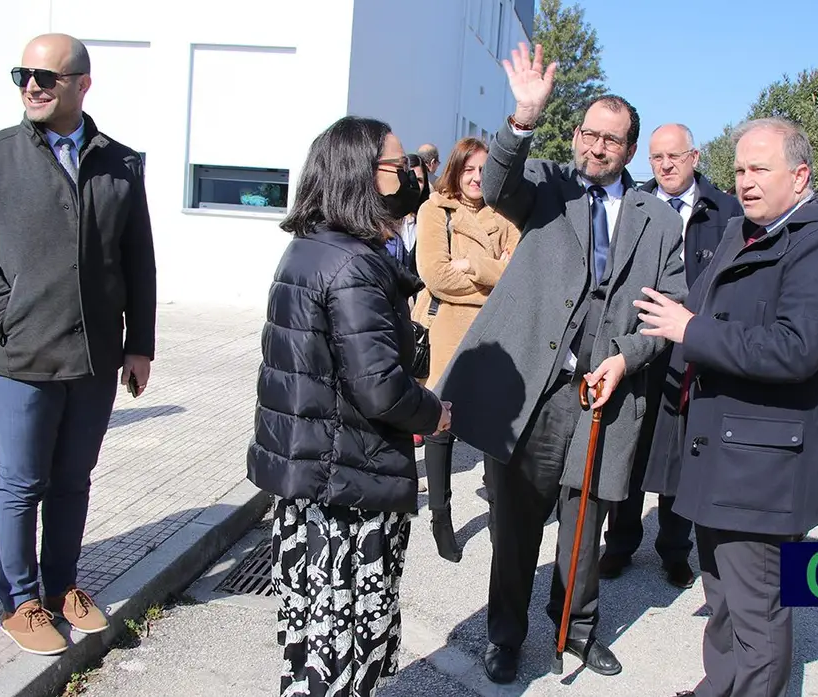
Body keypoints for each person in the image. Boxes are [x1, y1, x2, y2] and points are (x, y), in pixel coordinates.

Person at [435, 42, 686, 683]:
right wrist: (522, 119)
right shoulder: (546, 185)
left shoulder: (658, 220)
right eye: (588, 134)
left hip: (608, 395)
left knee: (587, 523)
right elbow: (495, 184)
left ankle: (576, 631)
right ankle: (505, 636)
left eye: (612, 140)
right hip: (541, 394)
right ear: (575, 135)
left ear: (630, 151)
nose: (596, 148)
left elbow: (671, 309)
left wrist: (628, 360)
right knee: (516, 524)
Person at [636, 117, 818, 697]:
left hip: (763, 469)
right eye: (739, 168)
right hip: (723, 456)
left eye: (760, 169)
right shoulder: (746, 231)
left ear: (800, 175)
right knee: (722, 600)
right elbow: (704, 309)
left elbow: (797, 350)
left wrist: (690, 330)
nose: (744, 181)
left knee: (757, 615)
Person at [0, 33, 155, 656]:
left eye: (46, 76)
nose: (31, 85)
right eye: (22, 74)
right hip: (20, 356)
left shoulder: (120, 161)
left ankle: (62, 586)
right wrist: (3, 312)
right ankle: (20, 599)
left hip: (93, 357)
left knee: (74, 479)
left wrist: (138, 343)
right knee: (22, 481)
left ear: (82, 84)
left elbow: (137, 259)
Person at [246, 116, 452, 697]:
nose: (409, 175)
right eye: (396, 165)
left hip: (314, 474)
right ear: (360, 176)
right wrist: (432, 413)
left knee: (313, 631)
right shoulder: (354, 265)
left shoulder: (311, 249)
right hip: (346, 486)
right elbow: (380, 386)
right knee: (345, 638)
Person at [600, 123, 744, 588]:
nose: (665, 165)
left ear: (695, 157)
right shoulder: (634, 205)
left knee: (681, 457)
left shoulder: (727, 212)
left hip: (694, 349)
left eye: (675, 157)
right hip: (639, 343)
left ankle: (673, 550)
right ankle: (620, 543)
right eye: (657, 158)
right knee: (628, 446)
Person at [412, 137, 520, 562]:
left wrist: (475, 267)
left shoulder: (504, 211)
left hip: (493, 333)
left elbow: (520, 274)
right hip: (445, 329)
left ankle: (498, 517)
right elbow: (436, 276)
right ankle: (441, 517)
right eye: (469, 169)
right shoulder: (435, 209)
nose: (476, 178)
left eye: (484, 169)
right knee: (440, 426)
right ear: (455, 170)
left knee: (494, 427)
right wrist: (496, 282)